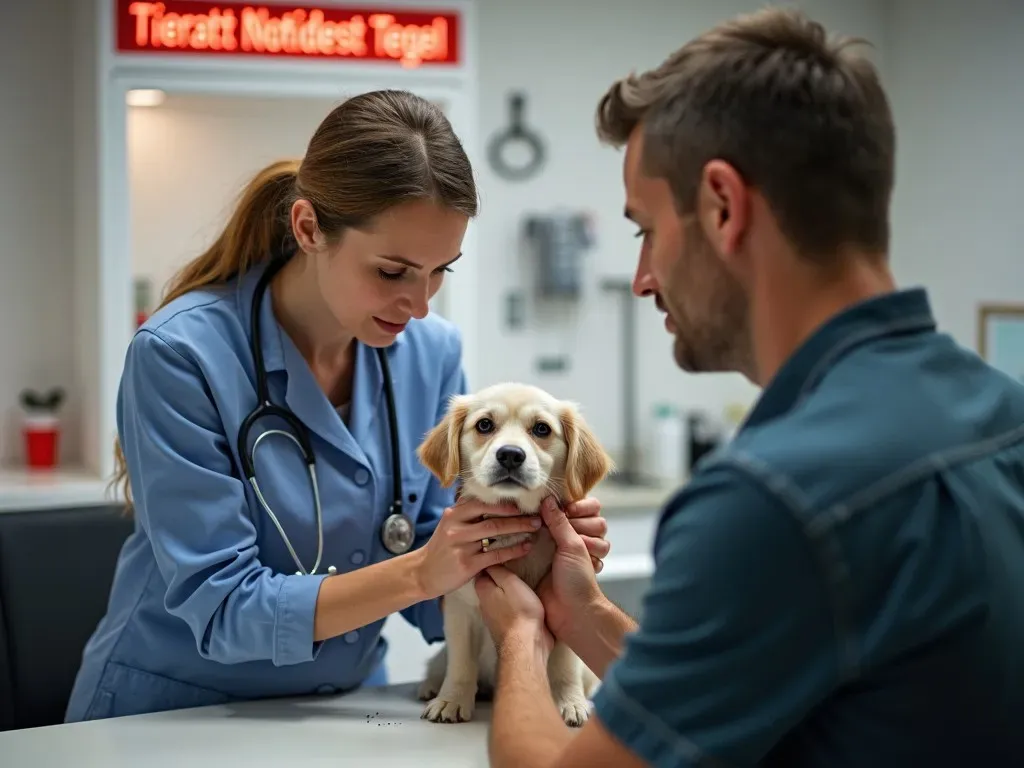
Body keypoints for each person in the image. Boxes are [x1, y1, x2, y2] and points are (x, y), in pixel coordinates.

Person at [474, 8, 1024, 768]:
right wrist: (586, 613)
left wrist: (520, 637)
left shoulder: (771, 499)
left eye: (644, 230)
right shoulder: (1002, 413)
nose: (640, 280)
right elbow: (733, 691)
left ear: (724, 207)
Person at [65, 89, 611, 722]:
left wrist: (530, 553)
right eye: (392, 271)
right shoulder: (181, 354)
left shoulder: (430, 352)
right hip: (174, 712)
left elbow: (443, 563)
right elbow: (221, 606)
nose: (420, 304)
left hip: (344, 706)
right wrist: (421, 573)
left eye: (441, 271)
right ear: (308, 228)